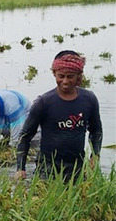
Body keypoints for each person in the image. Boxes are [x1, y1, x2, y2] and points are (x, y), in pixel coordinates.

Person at [15, 51, 102, 181]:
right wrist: (20, 168)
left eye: (70, 76)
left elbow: (96, 131)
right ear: (54, 74)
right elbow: (25, 136)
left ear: (78, 76)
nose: (65, 81)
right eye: (61, 76)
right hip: (47, 168)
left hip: (76, 167)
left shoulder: (89, 99)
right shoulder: (43, 103)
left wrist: (94, 157)